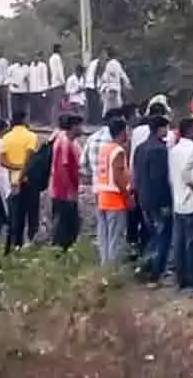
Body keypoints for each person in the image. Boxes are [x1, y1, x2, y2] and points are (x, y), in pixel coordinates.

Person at [136, 116, 174, 281]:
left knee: (152, 235)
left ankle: (146, 267)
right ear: (160, 129)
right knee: (162, 236)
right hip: (158, 201)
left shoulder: (140, 148)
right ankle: (156, 271)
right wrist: (166, 202)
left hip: (144, 198)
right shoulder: (160, 150)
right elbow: (160, 179)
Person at [168, 117, 193, 290]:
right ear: (189, 130)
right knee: (192, 243)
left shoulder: (174, 150)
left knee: (179, 242)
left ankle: (180, 278)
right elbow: (192, 176)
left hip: (178, 200)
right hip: (192, 201)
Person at [93, 118, 133, 266]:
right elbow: (117, 177)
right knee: (116, 239)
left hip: (103, 198)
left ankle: (105, 269)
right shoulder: (118, 151)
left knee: (104, 239)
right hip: (115, 200)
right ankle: (113, 272)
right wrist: (127, 197)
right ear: (122, 132)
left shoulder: (105, 149)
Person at [0, 110, 40, 250]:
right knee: (32, 215)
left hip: (12, 181)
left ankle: (16, 246)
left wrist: (16, 168)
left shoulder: (6, 138)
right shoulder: (31, 136)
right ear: (24, 119)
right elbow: (29, 160)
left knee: (17, 216)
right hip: (27, 181)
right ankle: (32, 244)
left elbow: (3, 161)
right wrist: (22, 171)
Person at [49, 114, 84, 248]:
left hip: (67, 192)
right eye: (80, 125)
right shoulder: (64, 142)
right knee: (64, 229)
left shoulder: (71, 142)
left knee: (70, 227)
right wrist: (69, 191)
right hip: (63, 193)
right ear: (73, 127)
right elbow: (63, 168)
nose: (82, 129)